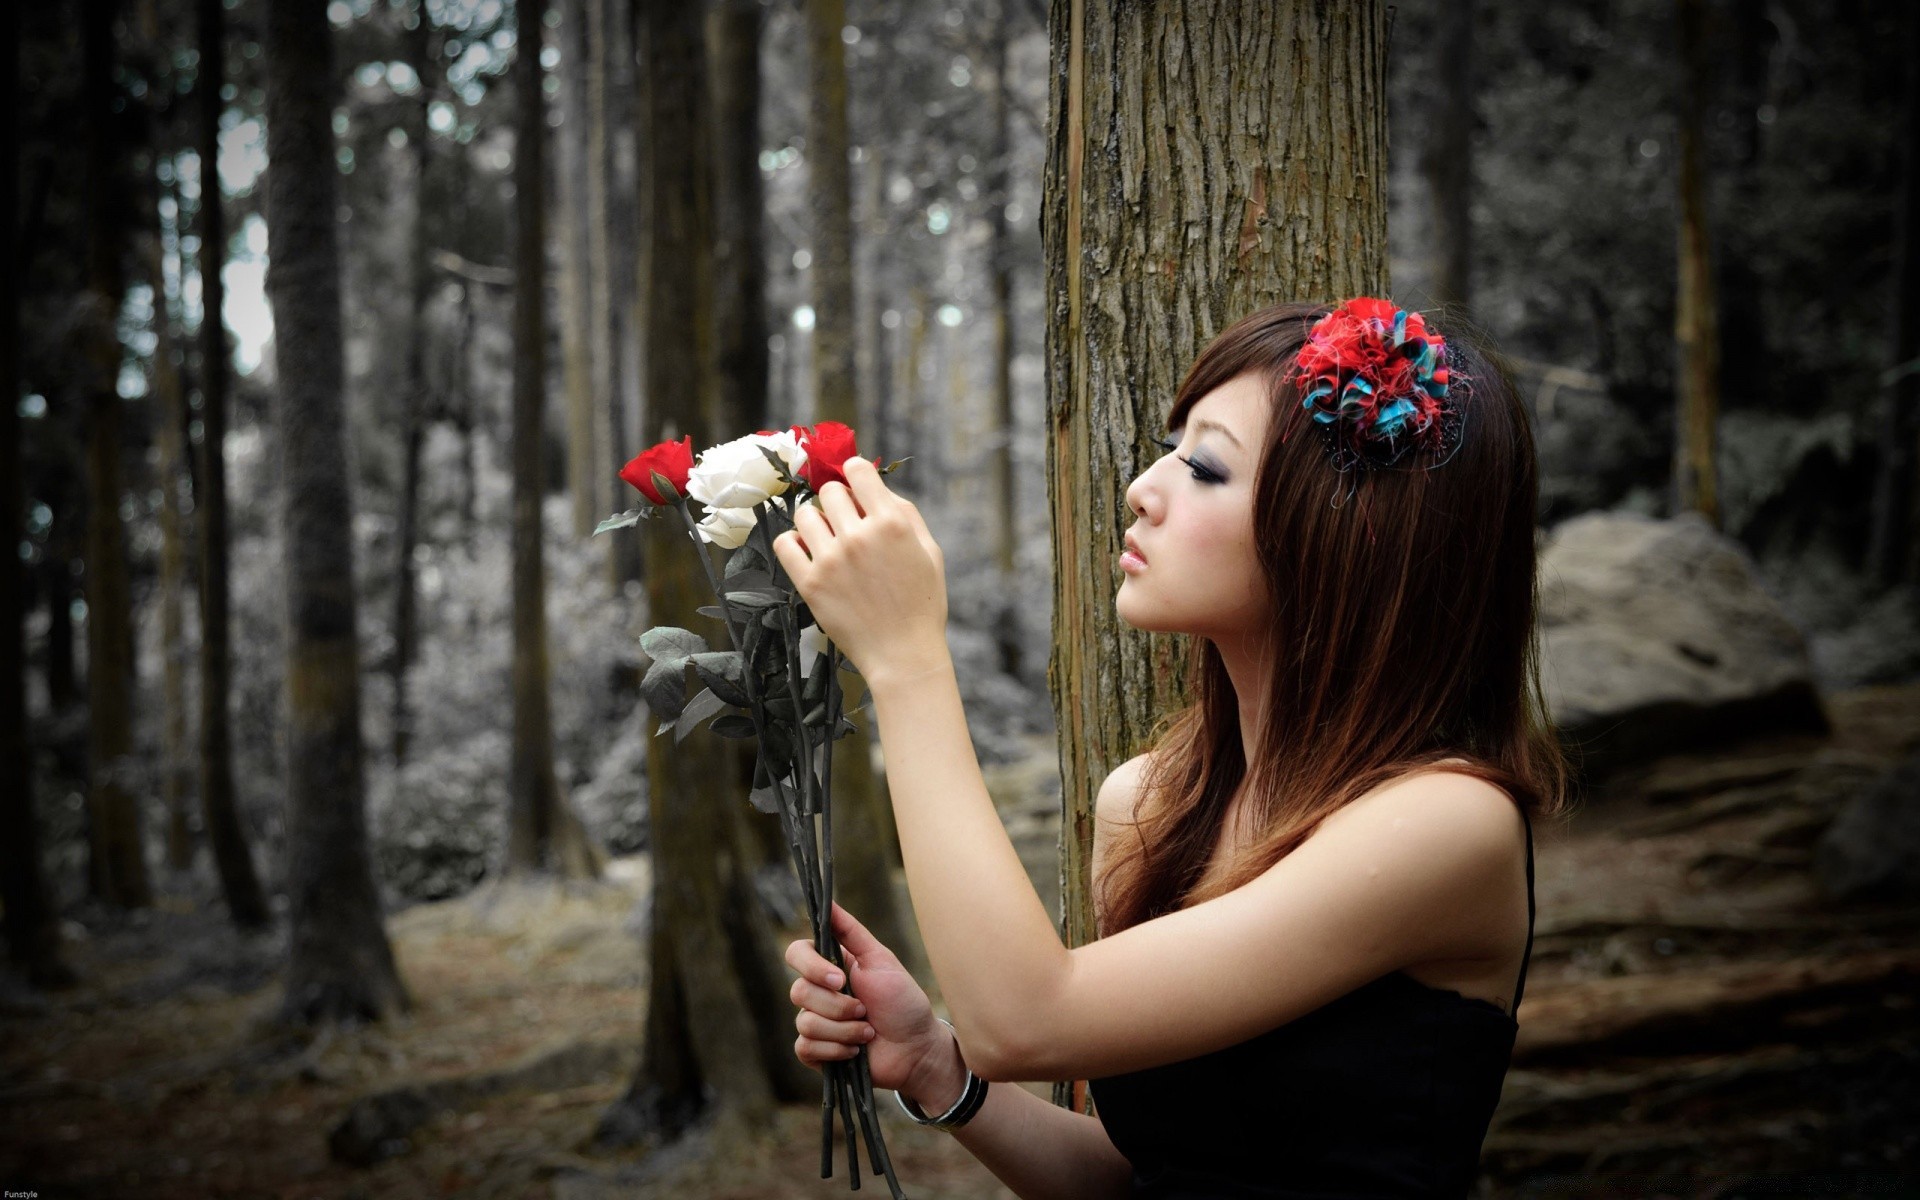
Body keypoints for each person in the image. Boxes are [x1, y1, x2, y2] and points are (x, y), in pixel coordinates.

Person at [770, 299, 1571, 1198]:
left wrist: (907, 661)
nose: (1143, 488)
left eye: (1204, 465)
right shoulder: (1152, 805)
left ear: (1345, 537)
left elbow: (1025, 1021)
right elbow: (1143, 1176)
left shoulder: (1447, 824)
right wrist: (935, 1067)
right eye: (1172, 448)